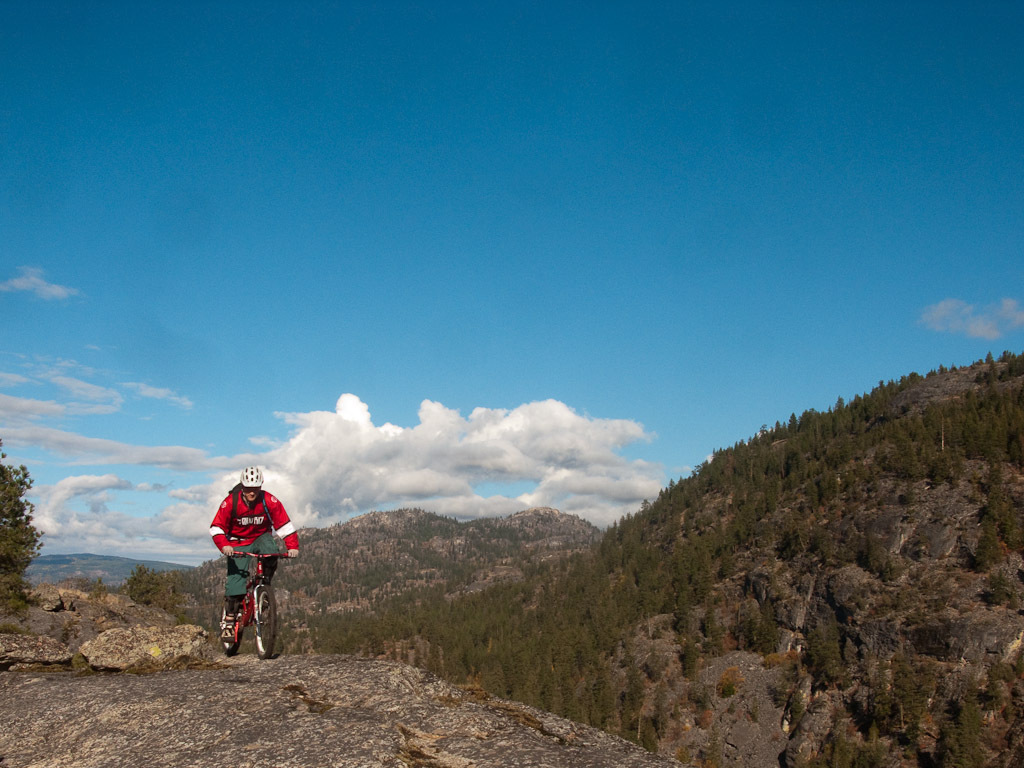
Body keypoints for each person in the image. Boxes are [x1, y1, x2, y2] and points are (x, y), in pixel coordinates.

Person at [209, 466, 299, 640]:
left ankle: (265, 588)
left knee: (271, 552)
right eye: (248, 488)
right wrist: (225, 546)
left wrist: (292, 546)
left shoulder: (269, 500)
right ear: (242, 487)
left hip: (260, 537)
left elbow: (284, 525)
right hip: (238, 541)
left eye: (256, 488)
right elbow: (216, 527)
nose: (252, 492)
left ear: (260, 486)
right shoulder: (230, 502)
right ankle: (229, 620)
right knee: (236, 581)